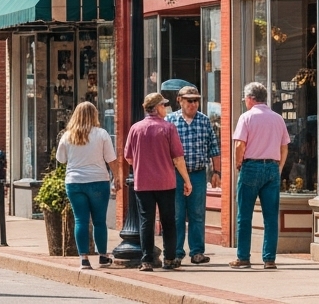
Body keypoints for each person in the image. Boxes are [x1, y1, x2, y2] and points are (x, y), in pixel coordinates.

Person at [124, 92, 191, 271]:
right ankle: (169, 259)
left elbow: (128, 157)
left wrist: (142, 165)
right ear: (156, 108)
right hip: (165, 182)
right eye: (163, 105)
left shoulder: (135, 129)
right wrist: (187, 180)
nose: (166, 108)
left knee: (146, 221)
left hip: (143, 183)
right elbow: (178, 158)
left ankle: (146, 260)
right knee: (168, 221)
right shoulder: (168, 128)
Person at [231, 81, 290, 270]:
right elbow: (284, 147)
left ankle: (243, 257)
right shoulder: (278, 118)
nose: (244, 101)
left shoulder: (246, 117)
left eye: (245, 98)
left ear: (250, 98)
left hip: (251, 166)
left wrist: (238, 163)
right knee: (271, 217)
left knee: (244, 215)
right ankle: (269, 259)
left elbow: (239, 145)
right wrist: (279, 167)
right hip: (272, 167)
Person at [55, 101, 118, 270]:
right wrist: (117, 177)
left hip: (74, 182)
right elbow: (111, 159)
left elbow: (61, 159)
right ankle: (103, 256)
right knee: (99, 221)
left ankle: (84, 259)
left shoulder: (67, 136)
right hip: (98, 181)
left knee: (80, 220)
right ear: (94, 115)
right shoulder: (102, 134)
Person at [167, 84, 221, 266]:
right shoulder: (170, 120)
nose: (193, 104)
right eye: (189, 101)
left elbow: (214, 148)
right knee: (177, 215)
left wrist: (216, 172)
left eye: (196, 101)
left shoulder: (204, 121)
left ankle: (197, 252)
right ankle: (176, 252)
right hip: (175, 175)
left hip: (197, 174)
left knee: (197, 214)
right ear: (179, 101)